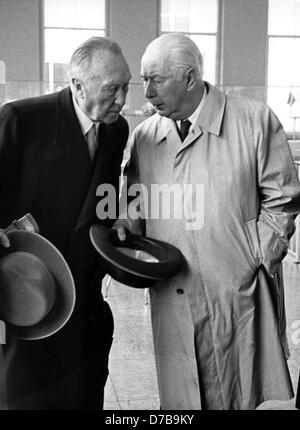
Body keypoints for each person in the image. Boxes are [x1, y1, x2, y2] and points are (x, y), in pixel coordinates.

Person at [114, 33, 300, 410]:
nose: (146, 92)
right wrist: (126, 227)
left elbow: (283, 198)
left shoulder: (253, 121)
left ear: (189, 77)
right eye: (144, 80)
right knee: (183, 395)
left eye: (156, 79)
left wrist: (255, 254)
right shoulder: (145, 136)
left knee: (235, 388)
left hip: (235, 286)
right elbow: (137, 202)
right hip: (173, 289)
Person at [0, 36, 131, 409]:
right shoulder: (22, 120)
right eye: (112, 90)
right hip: (29, 299)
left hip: (86, 306)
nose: (123, 101)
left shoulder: (116, 130)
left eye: (126, 87)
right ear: (77, 85)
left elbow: (100, 197)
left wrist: (117, 219)